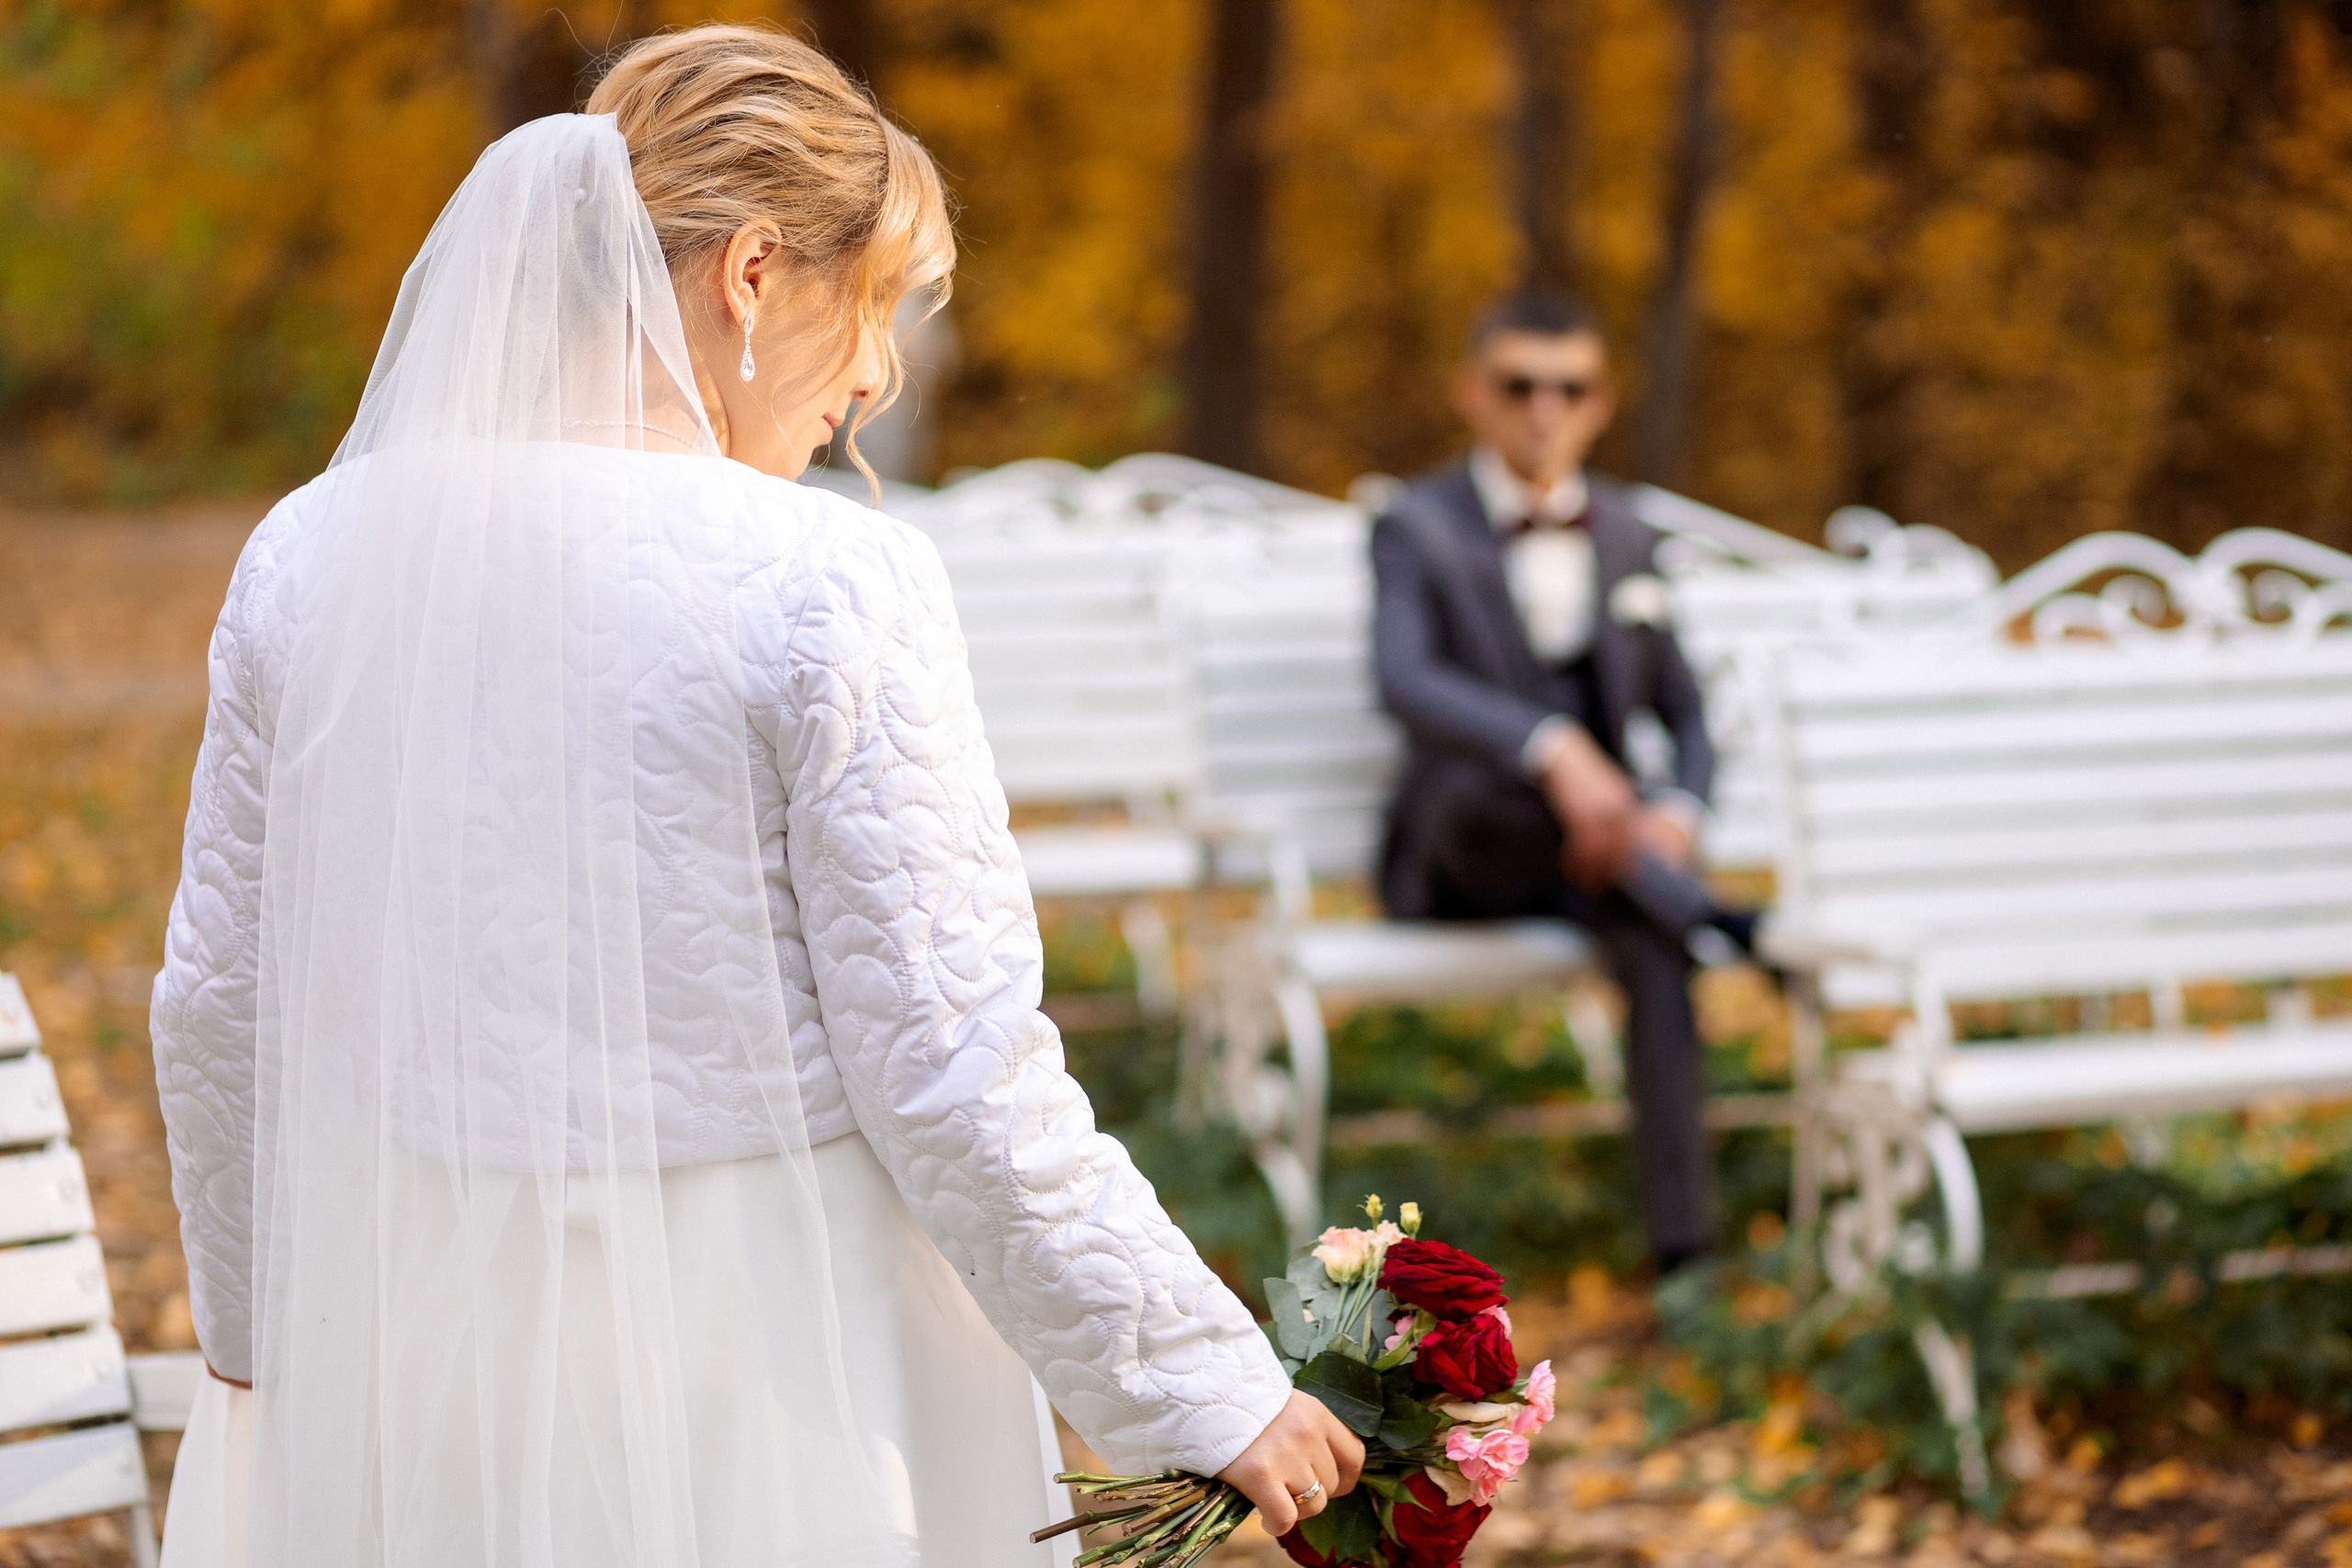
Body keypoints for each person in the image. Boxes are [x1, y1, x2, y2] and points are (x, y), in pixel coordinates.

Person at [148, 28, 1358, 1567]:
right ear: (753, 273)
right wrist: (1203, 1378)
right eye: (875, 313)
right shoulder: (827, 584)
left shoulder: (308, 557)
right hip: (768, 1356)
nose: (874, 377)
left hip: (409, 1316)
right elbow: (952, 1064)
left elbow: (214, 1002)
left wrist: (257, 1329)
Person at [1371, 290, 1753, 1273]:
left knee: (1655, 952)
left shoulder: (1628, 532)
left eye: (1569, 387)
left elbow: (1688, 711)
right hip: (1468, 847)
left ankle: (1685, 1259)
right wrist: (1553, 748)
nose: (1544, 408)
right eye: (1519, 385)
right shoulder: (1416, 525)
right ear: (1473, 393)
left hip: (1601, 858)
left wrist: (1675, 810)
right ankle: (1725, 923)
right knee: (1496, 796)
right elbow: (1404, 680)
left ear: (1600, 402)